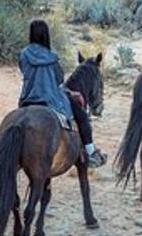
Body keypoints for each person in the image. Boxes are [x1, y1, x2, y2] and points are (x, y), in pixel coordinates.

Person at [18, 20, 106, 167]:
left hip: (28, 97)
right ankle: (90, 153)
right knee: (82, 117)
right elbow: (59, 80)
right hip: (52, 98)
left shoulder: (23, 54)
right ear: (46, 35)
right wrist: (70, 92)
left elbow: (24, 71)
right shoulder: (52, 56)